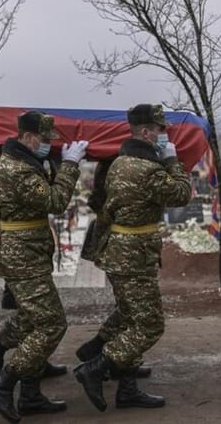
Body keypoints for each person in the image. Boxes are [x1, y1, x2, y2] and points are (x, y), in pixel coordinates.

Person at [75, 104, 191, 412]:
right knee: (150, 324)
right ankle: (96, 367)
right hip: (134, 255)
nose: (164, 136)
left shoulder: (120, 162)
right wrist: (172, 161)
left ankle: (124, 386)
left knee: (130, 317)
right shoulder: (147, 168)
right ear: (146, 131)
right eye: (160, 130)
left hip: (121, 251)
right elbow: (182, 194)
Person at [0, 111, 88, 423]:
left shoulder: (24, 161)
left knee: (31, 320)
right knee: (51, 324)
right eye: (45, 139)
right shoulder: (18, 169)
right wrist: (69, 165)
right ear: (28, 137)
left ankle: (26, 391)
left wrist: (55, 163)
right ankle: (3, 384)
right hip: (21, 254)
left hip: (26, 250)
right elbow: (54, 201)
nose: (49, 145)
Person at [75, 159, 151, 380]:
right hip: (118, 242)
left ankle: (118, 360)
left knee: (128, 305)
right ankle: (107, 354)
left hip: (115, 240)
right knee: (132, 306)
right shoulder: (118, 165)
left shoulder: (113, 163)